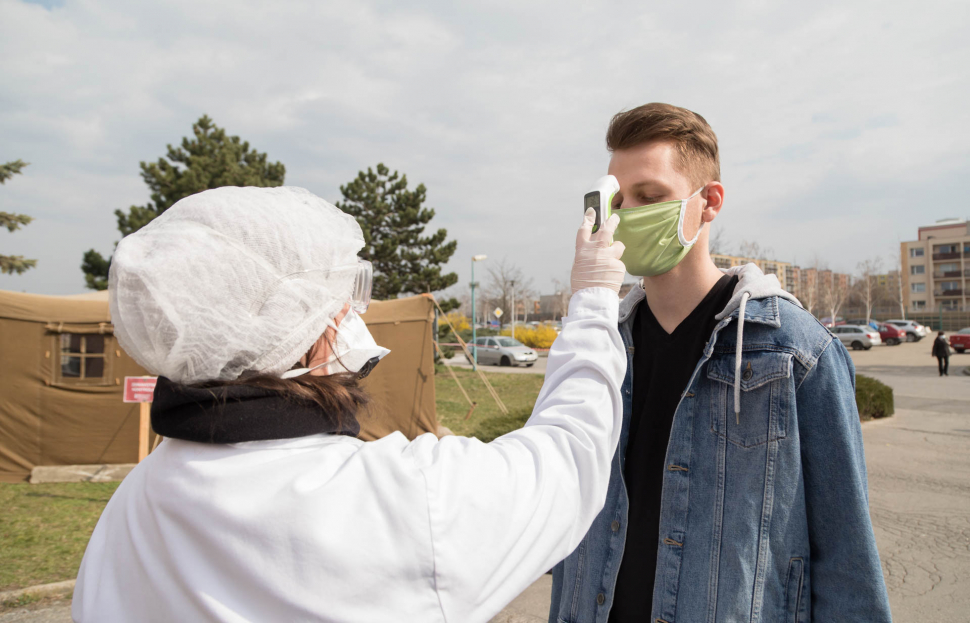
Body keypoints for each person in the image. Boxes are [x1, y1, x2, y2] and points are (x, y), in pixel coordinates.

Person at [73, 185, 629, 623]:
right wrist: (594, 298)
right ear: (291, 332)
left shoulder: (136, 502)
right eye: (340, 302)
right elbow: (569, 454)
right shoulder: (404, 502)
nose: (353, 318)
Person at [550, 103, 892, 623]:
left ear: (708, 202)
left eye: (650, 196)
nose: (628, 215)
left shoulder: (796, 350)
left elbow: (847, 557)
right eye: (618, 200)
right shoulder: (599, 349)